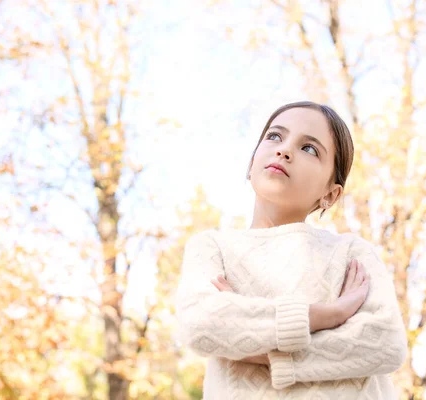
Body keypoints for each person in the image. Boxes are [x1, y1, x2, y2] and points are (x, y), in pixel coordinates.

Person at [174, 101, 408, 399]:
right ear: (252, 161)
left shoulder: (353, 253)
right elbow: (199, 325)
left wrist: (262, 347)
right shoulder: (212, 248)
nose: (283, 150)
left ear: (330, 193)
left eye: (309, 149)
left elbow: (384, 344)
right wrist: (329, 315)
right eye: (274, 136)